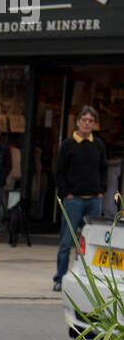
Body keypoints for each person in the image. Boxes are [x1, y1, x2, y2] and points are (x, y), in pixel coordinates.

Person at [53, 105, 107, 291]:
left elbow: (103, 169)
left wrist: (101, 191)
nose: (87, 123)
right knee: (66, 242)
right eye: (84, 120)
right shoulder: (68, 145)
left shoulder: (98, 144)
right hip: (73, 200)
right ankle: (59, 278)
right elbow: (59, 172)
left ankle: (87, 280)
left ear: (94, 124)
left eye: (90, 121)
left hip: (94, 201)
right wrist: (66, 193)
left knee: (91, 244)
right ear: (77, 122)